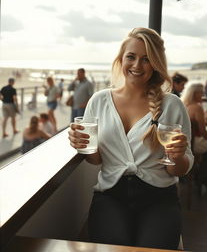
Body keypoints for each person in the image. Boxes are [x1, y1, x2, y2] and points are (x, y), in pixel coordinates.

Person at [68, 27, 194, 250]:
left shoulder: (173, 105)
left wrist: (177, 156)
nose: (137, 66)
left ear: (155, 64)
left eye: (146, 59)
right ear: (121, 59)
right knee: (112, 247)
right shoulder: (98, 101)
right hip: (110, 196)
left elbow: (180, 170)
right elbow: (96, 160)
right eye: (131, 57)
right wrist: (83, 146)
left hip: (160, 199)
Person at [181, 82, 207, 191]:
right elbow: (203, 133)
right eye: (201, 92)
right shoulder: (197, 108)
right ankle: (204, 177)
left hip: (185, 142)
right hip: (193, 143)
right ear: (195, 93)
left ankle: (199, 173)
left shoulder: (184, 104)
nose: (203, 95)